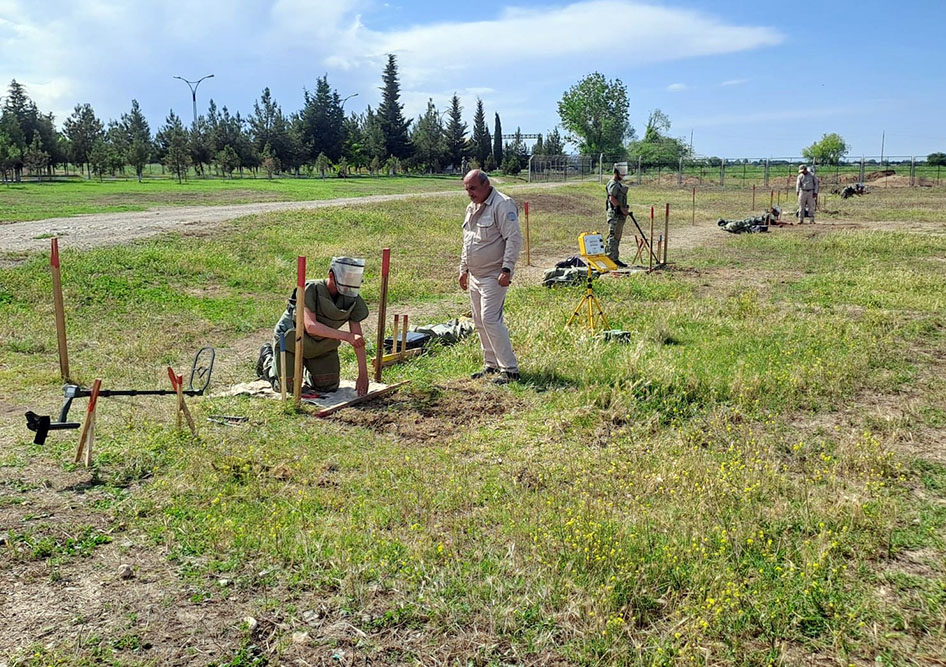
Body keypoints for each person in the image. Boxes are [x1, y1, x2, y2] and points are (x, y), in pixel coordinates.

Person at [256, 256, 370, 397]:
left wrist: (363, 374)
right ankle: (267, 357)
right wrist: (346, 336)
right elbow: (311, 326)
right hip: (293, 340)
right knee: (287, 388)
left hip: (321, 344)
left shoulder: (352, 298)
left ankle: (306, 369)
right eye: (346, 279)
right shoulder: (311, 288)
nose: (349, 284)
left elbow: (357, 339)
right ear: (331, 276)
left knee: (328, 386)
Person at [459, 169, 523, 385]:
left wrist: (507, 269)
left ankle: (510, 370)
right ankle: (491, 364)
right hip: (475, 276)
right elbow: (468, 240)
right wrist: (463, 268)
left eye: (473, 188)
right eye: (467, 189)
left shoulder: (502, 204)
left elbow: (513, 239)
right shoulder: (472, 207)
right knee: (478, 321)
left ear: (486, 185)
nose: (469, 193)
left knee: (490, 319)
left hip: (494, 276)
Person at [605, 164, 630, 266]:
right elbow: (612, 198)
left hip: (619, 215)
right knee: (613, 237)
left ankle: (615, 258)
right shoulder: (613, 184)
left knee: (617, 237)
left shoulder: (618, 184)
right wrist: (621, 209)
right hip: (614, 214)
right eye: (621, 173)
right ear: (616, 172)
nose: (623, 175)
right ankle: (610, 258)